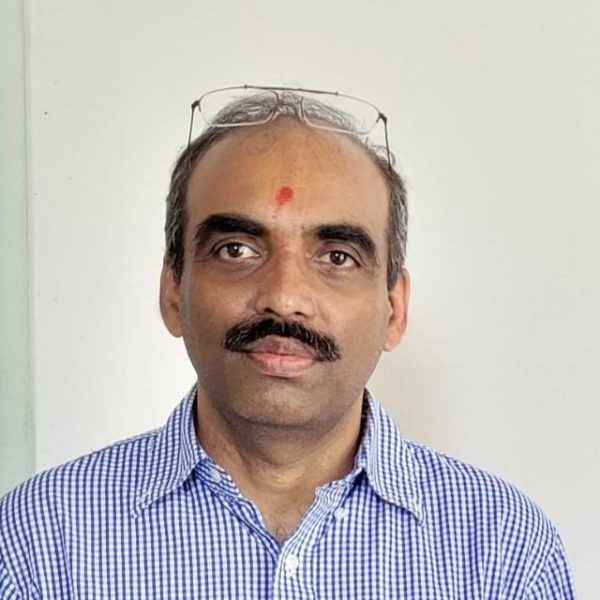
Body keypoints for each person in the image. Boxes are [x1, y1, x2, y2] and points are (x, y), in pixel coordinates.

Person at [0, 86, 575, 599]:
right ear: (173, 291)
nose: (285, 297)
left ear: (393, 310)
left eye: (337, 257)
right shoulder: (41, 542)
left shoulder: (502, 550)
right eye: (236, 250)